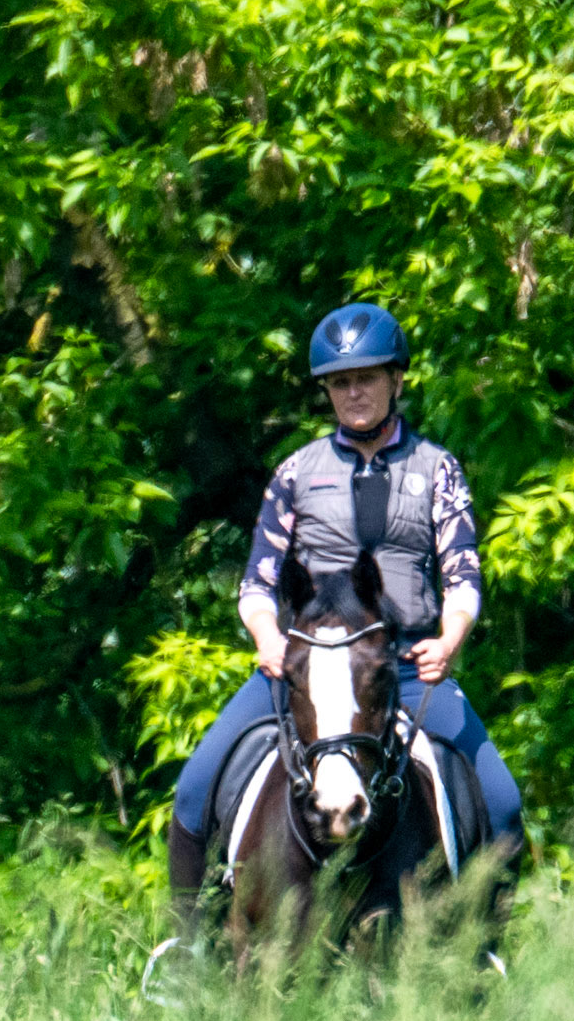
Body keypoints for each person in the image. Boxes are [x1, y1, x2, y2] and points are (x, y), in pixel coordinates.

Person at [169, 302, 522, 914]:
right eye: (339, 382)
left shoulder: (438, 470)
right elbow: (257, 583)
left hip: (405, 667)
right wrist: (266, 637)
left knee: (503, 800)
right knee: (194, 788)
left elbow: (463, 575)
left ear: (396, 380)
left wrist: (450, 639)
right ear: (327, 391)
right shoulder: (294, 473)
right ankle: (182, 949)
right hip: (305, 667)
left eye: (366, 378)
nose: (353, 392)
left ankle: (483, 944)